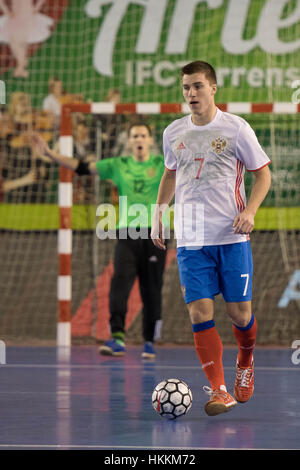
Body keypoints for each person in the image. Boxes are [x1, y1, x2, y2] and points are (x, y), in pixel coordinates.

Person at [151, 60, 271, 416]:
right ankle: (219, 390)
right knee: (199, 311)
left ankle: (245, 360)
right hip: (191, 240)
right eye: (186, 87)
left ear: (213, 88)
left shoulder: (236, 128)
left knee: (239, 314)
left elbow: (263, 176)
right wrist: (159, 214)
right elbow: (170, 175)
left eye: (198, 86)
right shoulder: (173, 132)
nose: (191, 93)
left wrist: (249, 212)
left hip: (231, 238)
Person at [31, 123, 166, 359]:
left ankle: (149, 342)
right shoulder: (118, 165)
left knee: (151, 289)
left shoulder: (161, 163)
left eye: (143, 135)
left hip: (156, 233)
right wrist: (51, 154)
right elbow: (82, 167)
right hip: (126, 232)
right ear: (129, 141)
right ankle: (117, 338)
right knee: (119, 285)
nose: (139, 139)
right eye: (135, 135)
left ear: (151, 140)